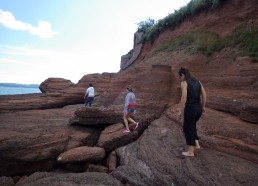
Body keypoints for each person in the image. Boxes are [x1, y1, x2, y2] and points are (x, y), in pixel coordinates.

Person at [178, 67, 207, 157]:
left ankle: (190, 151)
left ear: (183, 75)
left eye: (180, 76)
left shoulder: (184, 83)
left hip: (190, 108)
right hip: (198, 108)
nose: (180, 78)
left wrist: (180, 110)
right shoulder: (198, 82)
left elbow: (184, 97)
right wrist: (203, 107)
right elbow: (204, 94)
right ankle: (196, 145)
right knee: (192, 125)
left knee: (187, 128)